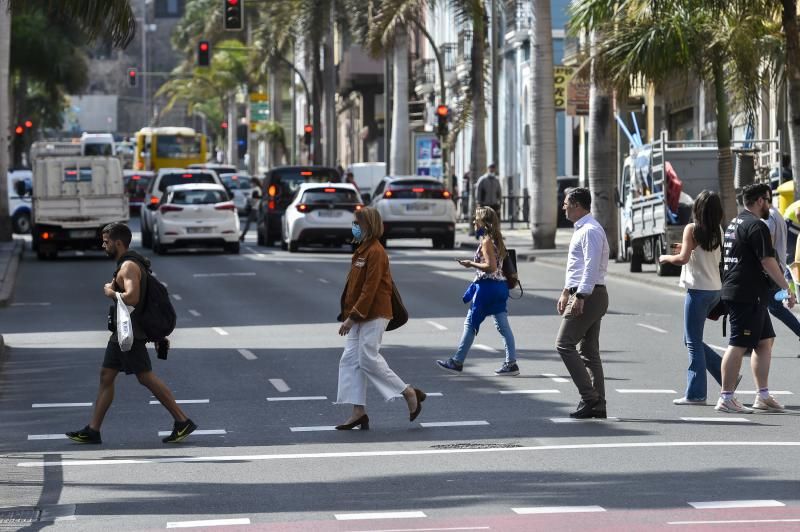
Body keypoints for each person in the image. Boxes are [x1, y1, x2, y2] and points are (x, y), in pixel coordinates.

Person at [66, 223, 196, 444]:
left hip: (129, 334)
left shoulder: (128, 267)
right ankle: (93, 430)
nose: (103, 245)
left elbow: (133, 298)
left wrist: (111, 293)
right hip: (123, 331)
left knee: (145, 377)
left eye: (106, 241)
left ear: (118, 242)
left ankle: (182, 420)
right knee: (107, 375)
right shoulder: (132, 263)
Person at [335, 207, 426, 429]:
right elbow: (354, 288)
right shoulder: (361, 250)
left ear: (368, 225)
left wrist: (352, 317)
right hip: (359, 314)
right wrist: (350, 313)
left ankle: (408, 393)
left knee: (367, 358)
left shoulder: (375, 252)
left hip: (375, 313)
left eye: (357, 223)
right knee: (350, 361)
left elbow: (370, 288)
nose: (354, 227)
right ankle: (358, 412)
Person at [717, 183, 794, 414]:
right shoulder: (756, 226)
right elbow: (768, 261)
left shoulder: (736, 222)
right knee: (738, 344)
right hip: (745, 294)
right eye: (768, 200)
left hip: (749, 292)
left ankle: (762, 395)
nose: (769, 206)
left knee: (764, 342)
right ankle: (726, 397)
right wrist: (786, 288)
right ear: (760, 200)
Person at [658, 190, 725, 405]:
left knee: (692, 342)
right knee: (690, 339)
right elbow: (702, 253)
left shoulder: (692, 229)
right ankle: (726, 373)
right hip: (715, 290)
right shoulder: (718, 231)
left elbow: (682, 259)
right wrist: (684, 248)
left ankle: (696, 394)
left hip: (698, 291)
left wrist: (666, 257)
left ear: (698, 208)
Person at [436, 207, 519, 376]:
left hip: (487, 288)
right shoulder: (498, 239)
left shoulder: (487, 241)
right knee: (503, 326)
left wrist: (470, 263)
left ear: (484, 223)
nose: (474, 222)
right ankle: (511, 363)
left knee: (470, 323)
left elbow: (491, 267)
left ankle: (457, 362)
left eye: (476, 219)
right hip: (500, 288)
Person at [556, 188, 609, 419]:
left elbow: (590, 266)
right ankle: (598, 405)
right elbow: (577, 268)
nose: (563, 207)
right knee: (588, 351)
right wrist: (566, 291)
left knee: (564, 344)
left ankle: (590, 398)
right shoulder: (583, 229)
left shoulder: (590, 231)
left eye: (566, 203)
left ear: (577, 205)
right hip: (586, 293)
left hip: (590, 295)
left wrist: (580, 296)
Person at [763, 191, 800, 352]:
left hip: (771, 267)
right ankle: (758, 341)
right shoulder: (774, 213)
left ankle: (758, 342)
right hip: (774, 265)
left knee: (773, 307)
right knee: (766, 306)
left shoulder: (770, 216)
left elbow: (768, 244)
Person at [239, 177, 262, 242]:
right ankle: (243, 236)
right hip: (255, 208)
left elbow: (256, 199)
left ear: (254, 182)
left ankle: (243, 236)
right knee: (253, 223)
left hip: (255, 208)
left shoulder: (256, 189)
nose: (251, 184)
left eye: (251, 182)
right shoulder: (256, 189)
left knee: (249, 223)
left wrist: (250, 201)